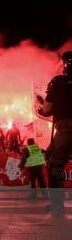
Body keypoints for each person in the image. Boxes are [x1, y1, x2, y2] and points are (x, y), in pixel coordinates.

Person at [38, 51, 72, 212]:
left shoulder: (59, 82)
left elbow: (46, 109)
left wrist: (41, 108)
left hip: (67, 129)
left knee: (55, 165)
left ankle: (57, 205)